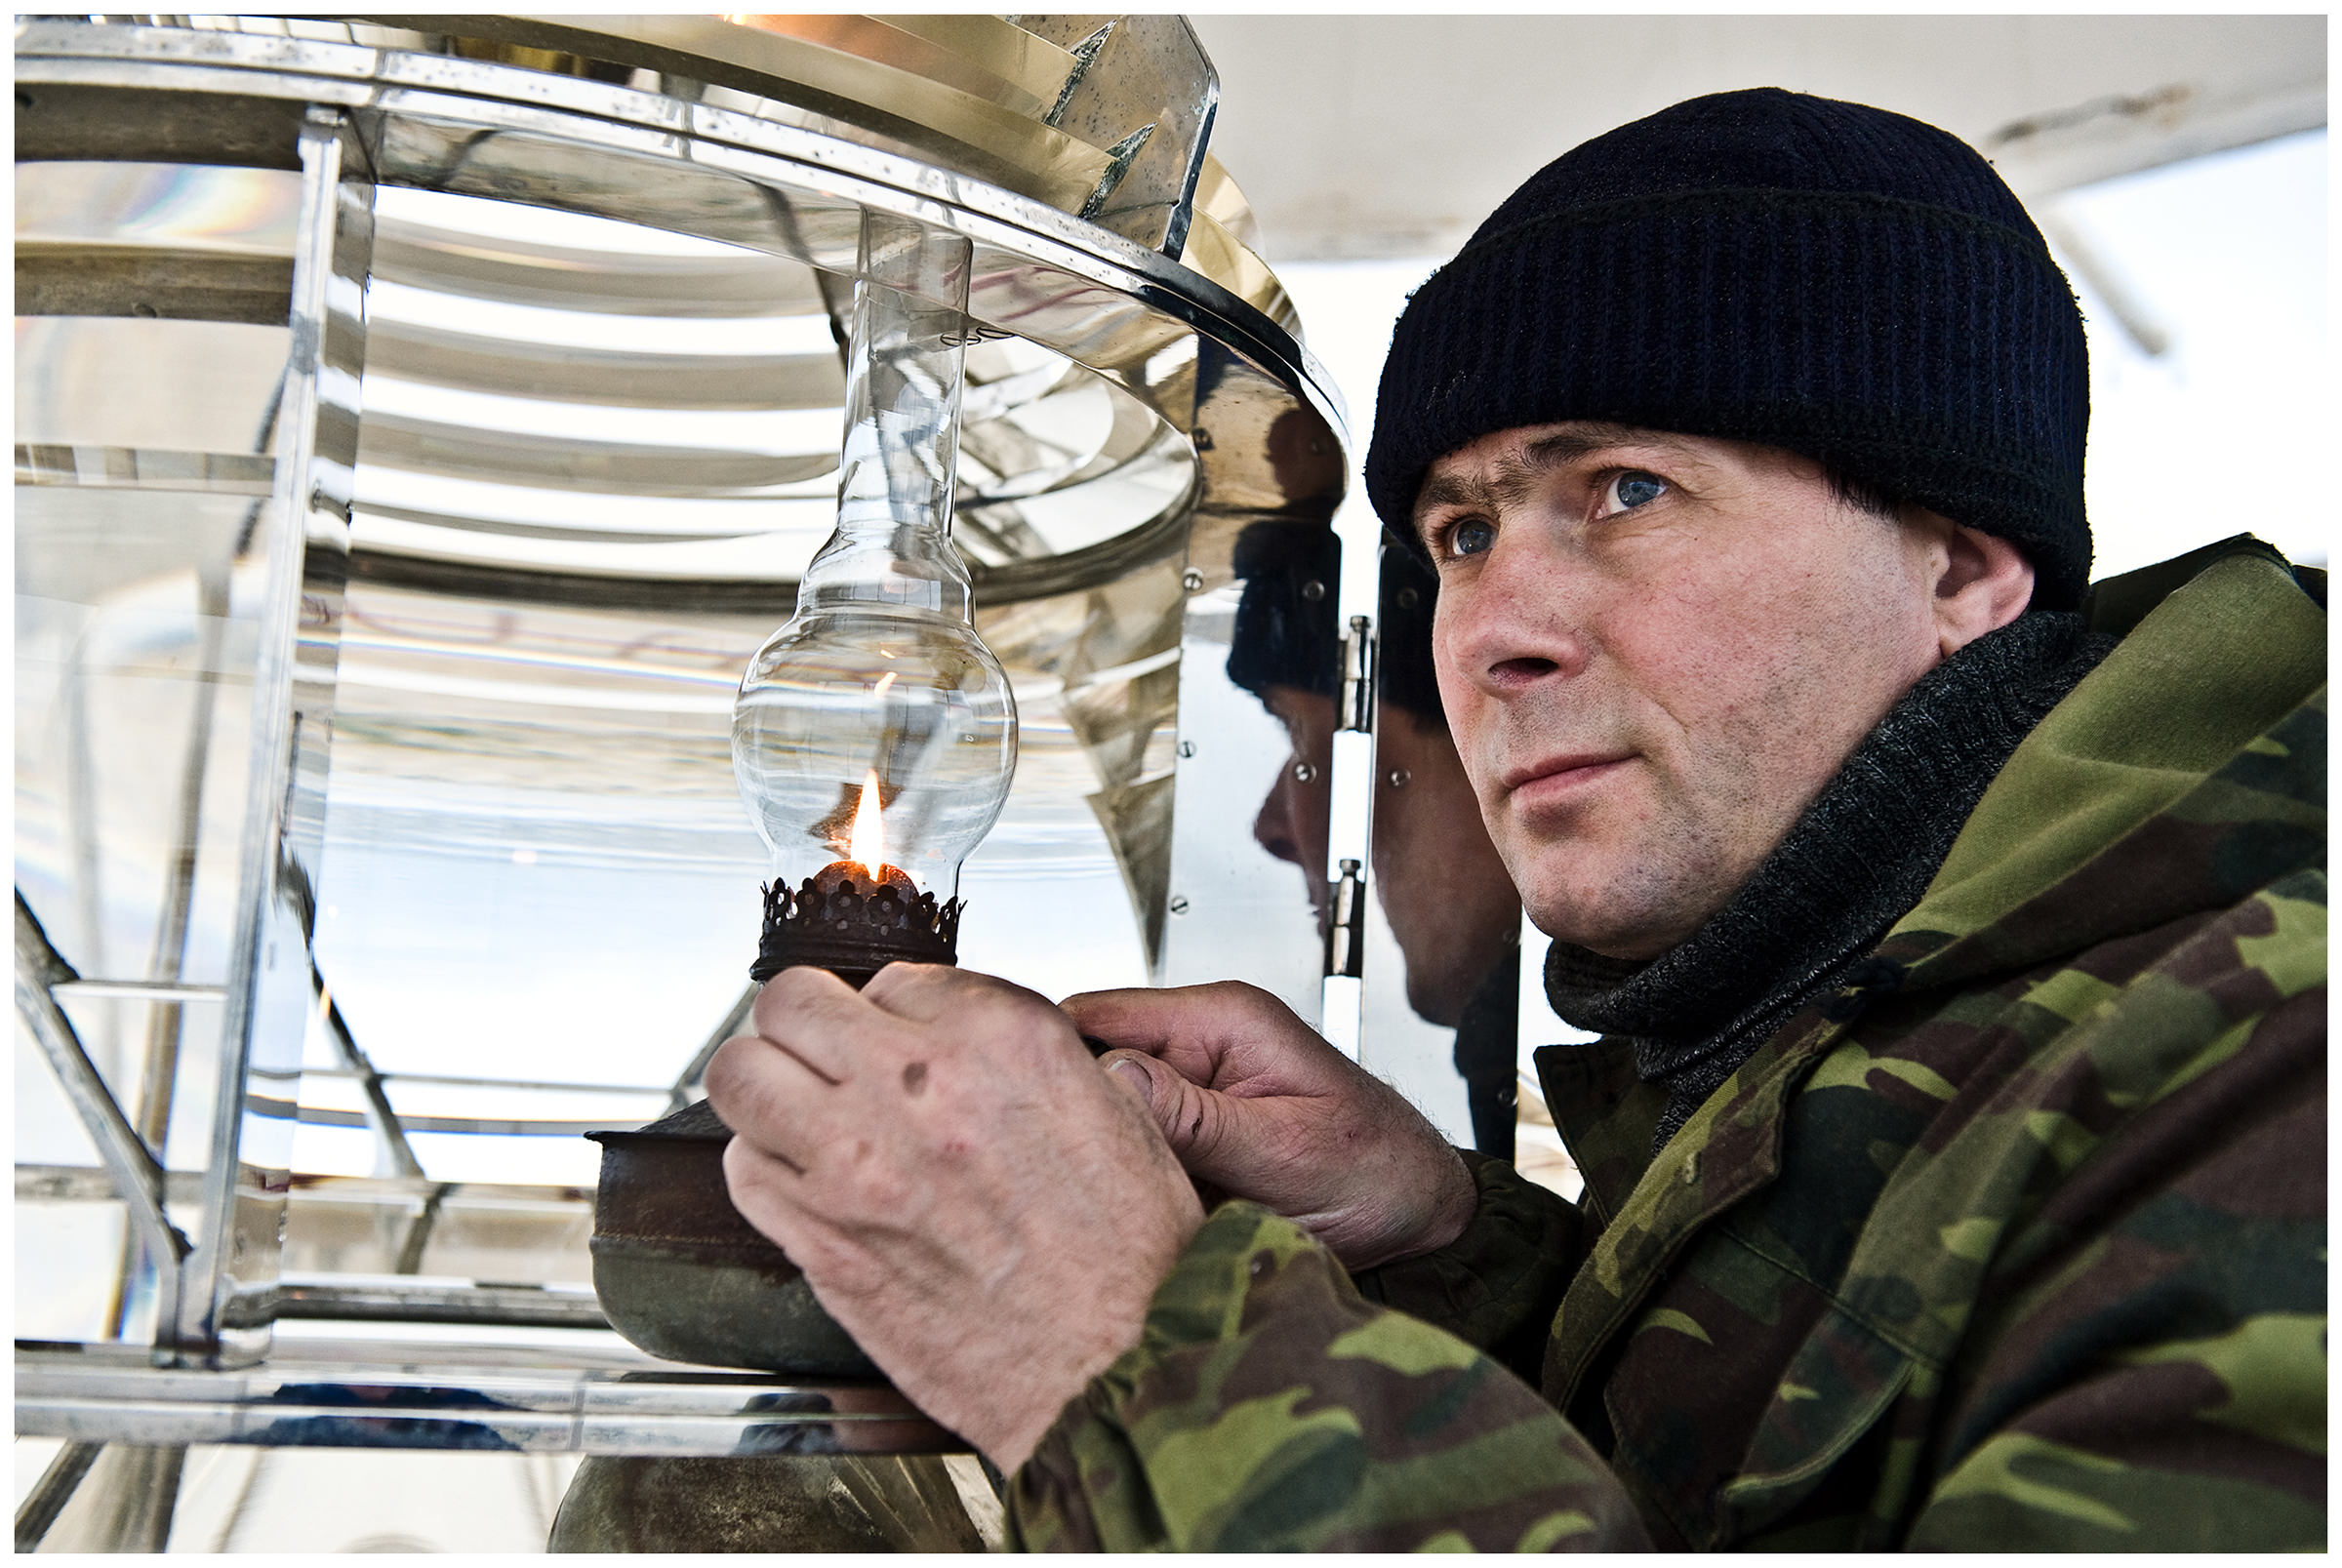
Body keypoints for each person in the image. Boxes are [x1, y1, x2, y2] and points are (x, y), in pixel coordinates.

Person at [705, 88, 2325, 1550]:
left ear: (1962, 566)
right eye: (1463, 533)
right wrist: (1453, 1256)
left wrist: (1131, 1348)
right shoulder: (1872, 1055)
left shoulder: (2265, 1071)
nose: (1489, 633)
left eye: (1624, 489)